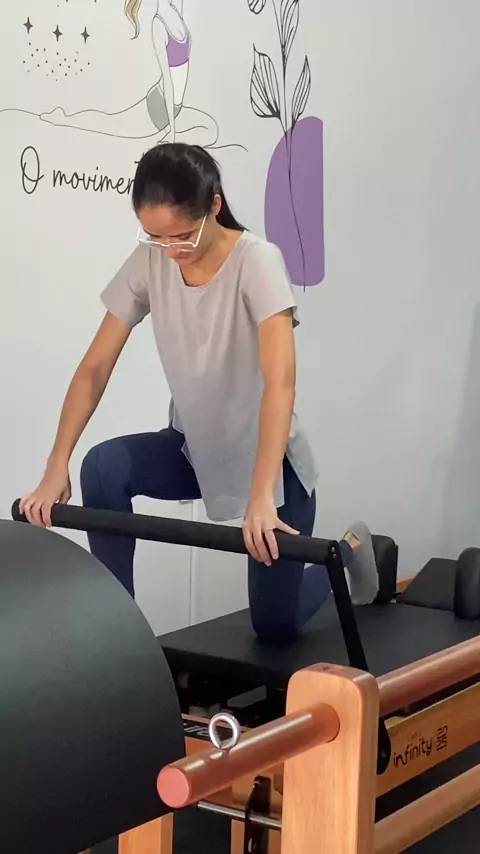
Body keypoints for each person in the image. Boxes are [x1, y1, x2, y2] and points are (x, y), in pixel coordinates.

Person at [20, 142, 379, 640]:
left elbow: (280, 383)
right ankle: (120, 634)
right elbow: (95, 367)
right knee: (101, 467)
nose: (171, 250)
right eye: (155, 236)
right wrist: (54, 464)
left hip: (271, 465)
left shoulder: (258, 262)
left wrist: (260, 496)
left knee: (275, 628)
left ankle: (351, 551)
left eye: (183, 236)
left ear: (214, 205)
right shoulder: (151, 261)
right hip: (196, 450)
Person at [39, 0, 219, 147]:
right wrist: (172, 132)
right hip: (159, 107)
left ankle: (167, 131)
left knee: (212, 130)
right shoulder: (158, 25)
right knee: (108, 123)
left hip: (175, 106)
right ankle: (63, 119)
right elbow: (168, 81)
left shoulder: (176, 12)